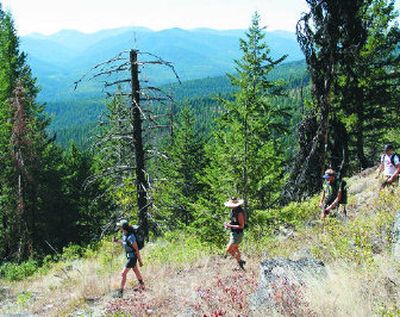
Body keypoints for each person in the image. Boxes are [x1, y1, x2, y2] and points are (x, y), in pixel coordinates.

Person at [112, 219, 144, 297]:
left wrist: (139, 260)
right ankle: (142, 285)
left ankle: (121, 292)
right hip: (130, 257)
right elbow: (125, 243)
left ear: (123, 227)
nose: (119, 227)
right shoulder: (125, 234)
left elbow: (136, 249)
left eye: (120, 226)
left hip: (132, 258)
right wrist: (117, 241)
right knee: (136, 270)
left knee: (123, 273)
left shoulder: (131, 237)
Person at [224, 197, 246, 271]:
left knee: (229, 249)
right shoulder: (233, 210)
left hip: (238, 234)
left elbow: (241, 225)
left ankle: (240, 261)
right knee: (235, 248)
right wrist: (228, 224)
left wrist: (229, 225)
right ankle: (240, 264)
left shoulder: (239, 213)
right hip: (233, 233)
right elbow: (233, 221)